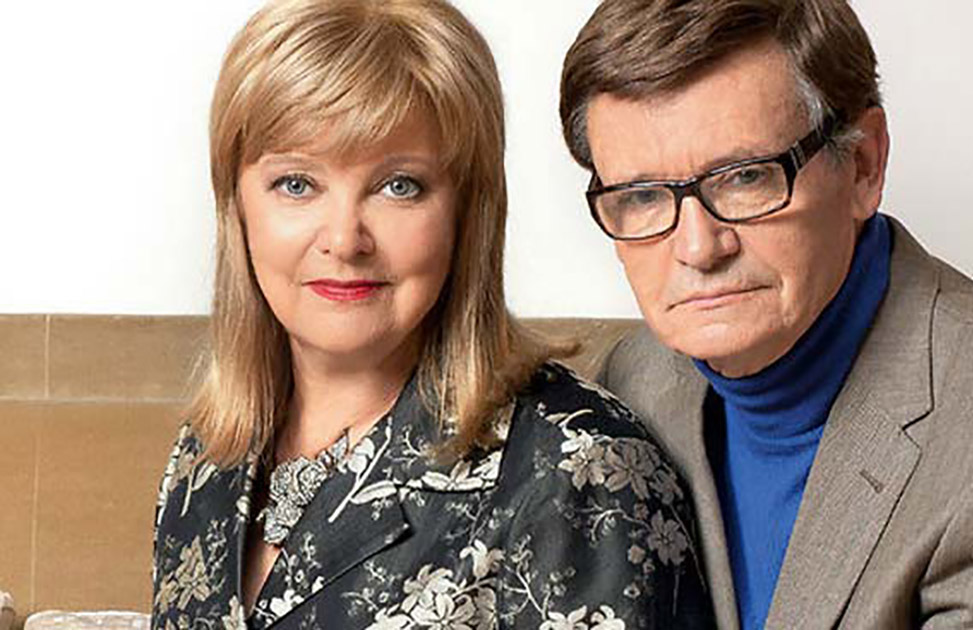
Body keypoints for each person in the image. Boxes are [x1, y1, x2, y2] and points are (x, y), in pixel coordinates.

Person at [559, 0, 973, 628]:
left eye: (746, 177)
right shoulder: (633, 383)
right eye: (641, 196)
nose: (699, 249)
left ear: (864, 164)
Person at [152, 1, 714, 628]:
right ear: (236, 206)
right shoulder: (204, 462)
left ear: (468, 210)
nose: (344, 240)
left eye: (399, 186)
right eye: (296, 184)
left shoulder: (580, 473)